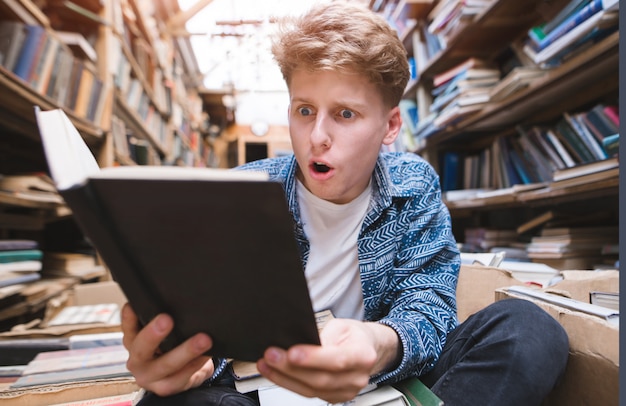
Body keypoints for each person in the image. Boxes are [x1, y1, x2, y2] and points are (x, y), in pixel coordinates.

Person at [121, 2, 569, 405]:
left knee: (529, 329)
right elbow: (206, 317)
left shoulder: (413, 186)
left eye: (345, 114)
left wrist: (379, 342)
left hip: (381, 384)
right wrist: (191, 362)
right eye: (304, 110)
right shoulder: (242, 191)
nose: (317, 137)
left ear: (391, 125)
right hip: (255, 391)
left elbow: (428, 307)